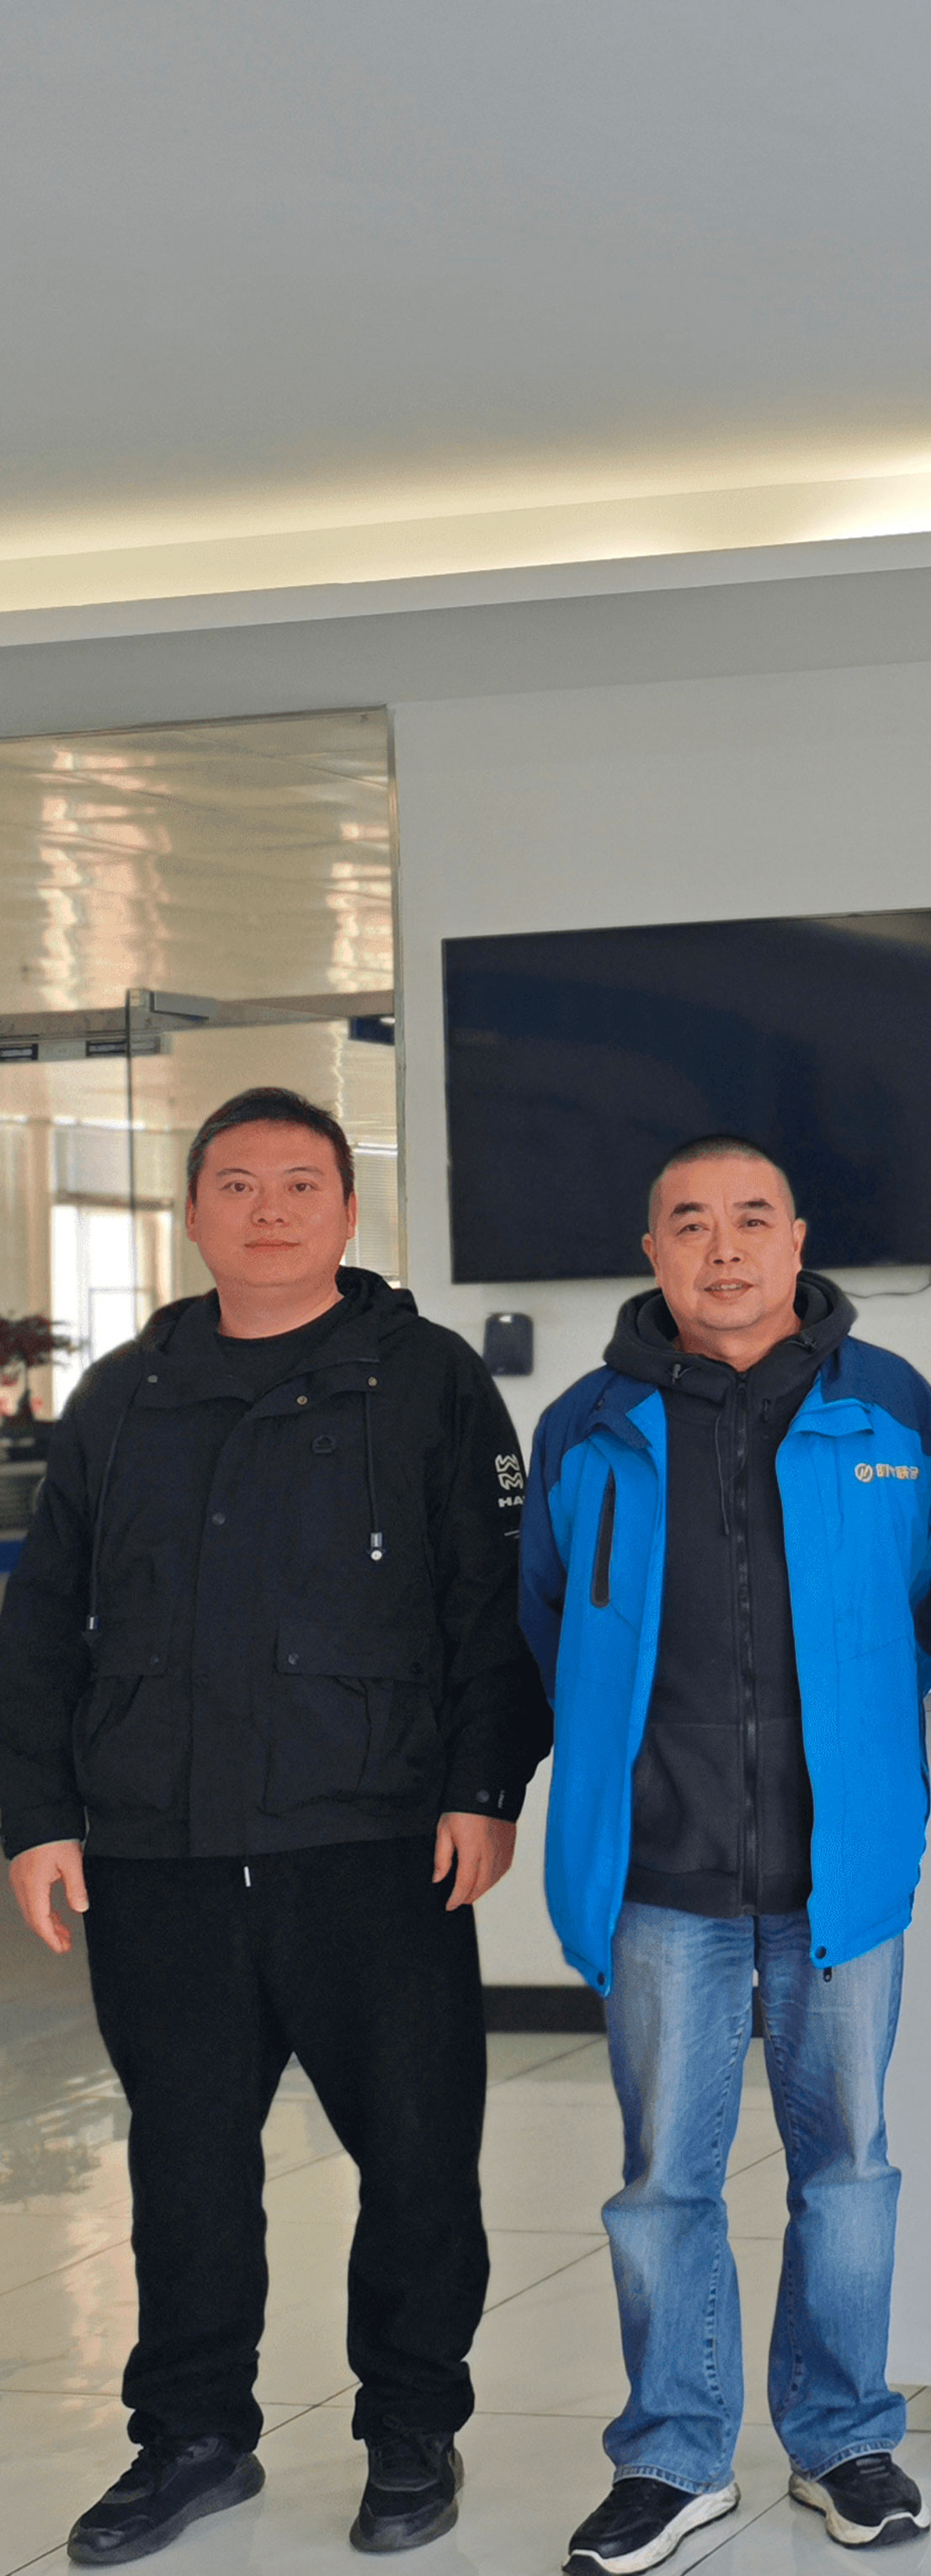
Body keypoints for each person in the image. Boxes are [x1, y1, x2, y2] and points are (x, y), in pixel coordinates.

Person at [0, 1088, 545, 2564]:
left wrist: (485, 1789)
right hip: (160, 1855)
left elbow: (493, 1606)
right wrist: (37, 1816)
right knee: (183, 2167)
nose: (269, 1210)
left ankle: (411, 2426)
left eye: (302, 1183)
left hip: (373, 1846)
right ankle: (191, 2438)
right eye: (236, 1184)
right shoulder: (124, 1394)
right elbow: (43, 1622)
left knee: (418, 2157)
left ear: (350, 1212)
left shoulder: (428, 1382)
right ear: (193, 1214)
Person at [523, 1139, 931, 2574]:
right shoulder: (588, 1424)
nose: (724, 1250)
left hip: (839, 1867)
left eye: (751, 1221)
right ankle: (674, 2456)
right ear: (653, 1252)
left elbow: (929, 1603)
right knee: (665, 2177)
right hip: (662, 1871)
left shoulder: (892, 1406)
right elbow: (549, 1623)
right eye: (691, 1224)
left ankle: (844, 2439)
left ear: (797, 1241)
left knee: (847, 2171)